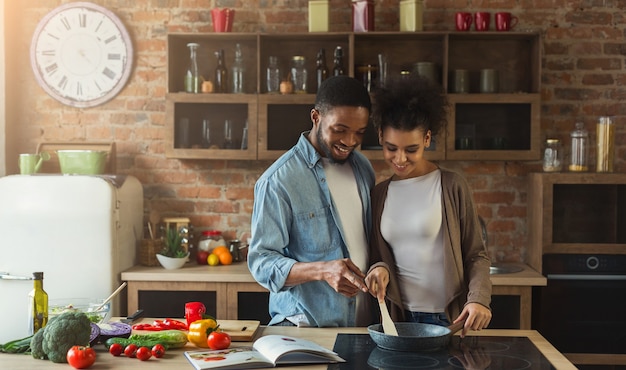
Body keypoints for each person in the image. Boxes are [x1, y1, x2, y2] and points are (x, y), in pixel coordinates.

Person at [364, 75, 492, 337]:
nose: (400, 159)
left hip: (450, 319)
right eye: (391, 148)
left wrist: (478, 298)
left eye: (411, 149)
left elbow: (476, 255)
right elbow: (380, 257)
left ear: (427, 139)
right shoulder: (379, 194)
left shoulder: (452, 186)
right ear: (380, 136)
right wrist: (378, 269)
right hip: (398, 318)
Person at [248, 76, 376, 327]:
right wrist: (323, 271)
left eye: (359, 132)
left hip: (363, 326)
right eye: (339, 130)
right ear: (316, 117)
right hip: (306, 327)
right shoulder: (278, 181)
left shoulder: (363, 168)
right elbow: (261, 262)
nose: (350, 141)